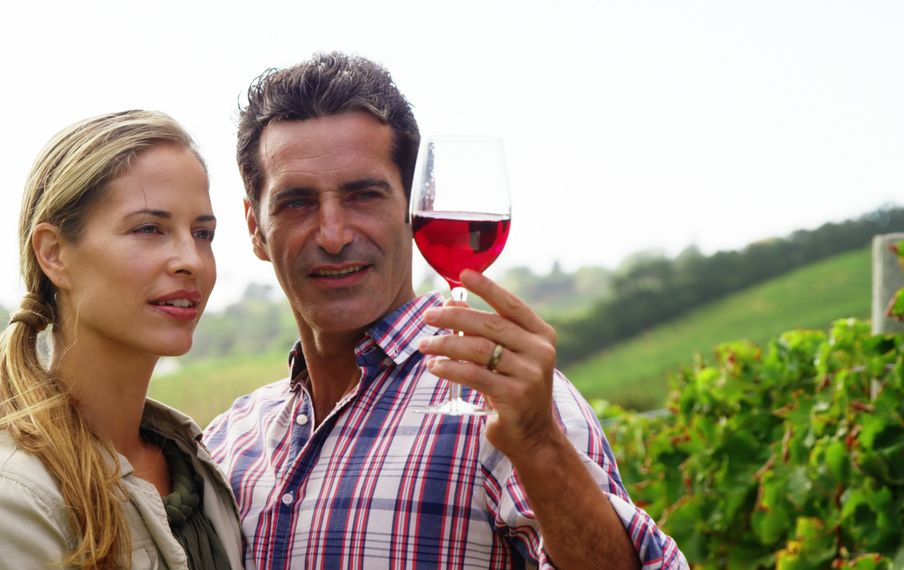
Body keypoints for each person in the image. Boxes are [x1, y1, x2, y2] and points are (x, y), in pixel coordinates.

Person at [204, 52, 688, 569]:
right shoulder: (228, 441)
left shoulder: (506, 408)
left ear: (413, 208)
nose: (333, 234)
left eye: (364, 195)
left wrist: (541, 447)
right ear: (255, 226)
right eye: (296, 202)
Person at [0, 110, 244, 569]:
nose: (191, 259)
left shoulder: (196, 461)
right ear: (53, 253)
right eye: (149, 228)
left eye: (203, 233)